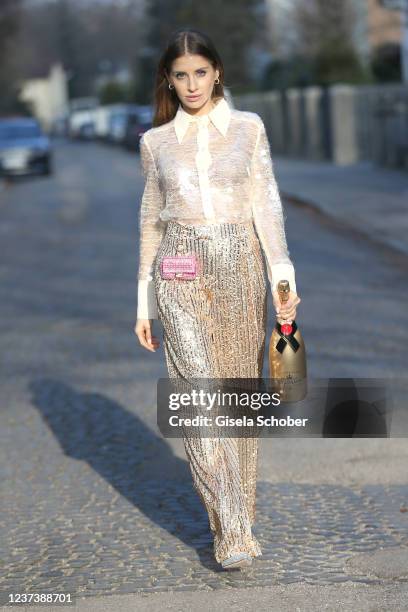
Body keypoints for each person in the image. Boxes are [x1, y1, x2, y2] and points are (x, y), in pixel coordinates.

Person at [134, 27, 301, 570]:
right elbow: (149, 223)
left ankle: (239, 513)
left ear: (217, 72)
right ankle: (229, 529)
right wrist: (144, 302)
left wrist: (283, 284)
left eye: (199, 73)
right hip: (179, 272)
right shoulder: (154, 142)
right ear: (168, 79)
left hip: (240, 271)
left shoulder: (248, 130)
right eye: (180, 75)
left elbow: (267, 206)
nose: (191, 85)